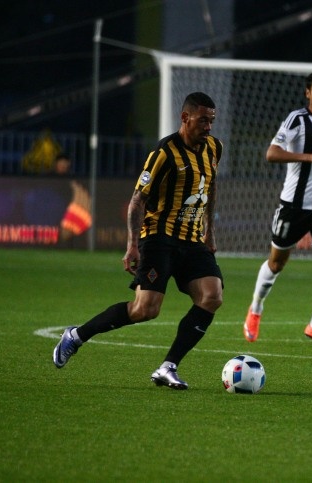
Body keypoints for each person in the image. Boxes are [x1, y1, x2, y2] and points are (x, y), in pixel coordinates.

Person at [52, 92, 224, 390]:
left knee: (212, 296)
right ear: (185, 118)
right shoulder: (164, 153)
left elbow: (210, 187)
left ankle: (168, 367)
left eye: (211, 121)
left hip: (193, 239)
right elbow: (136, 201)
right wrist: (132, 245)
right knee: (146, 309)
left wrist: (209, 231)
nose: (208, 127)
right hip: (159, 238)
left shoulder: (213, 147)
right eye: (202, 121)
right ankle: (76, 336)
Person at [243, 69, 312, 348]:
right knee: (276, 263)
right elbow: (272, 153)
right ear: (308, 93)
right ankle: (255, 309)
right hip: (293, 206)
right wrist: (309, 157)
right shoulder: (297, 119)